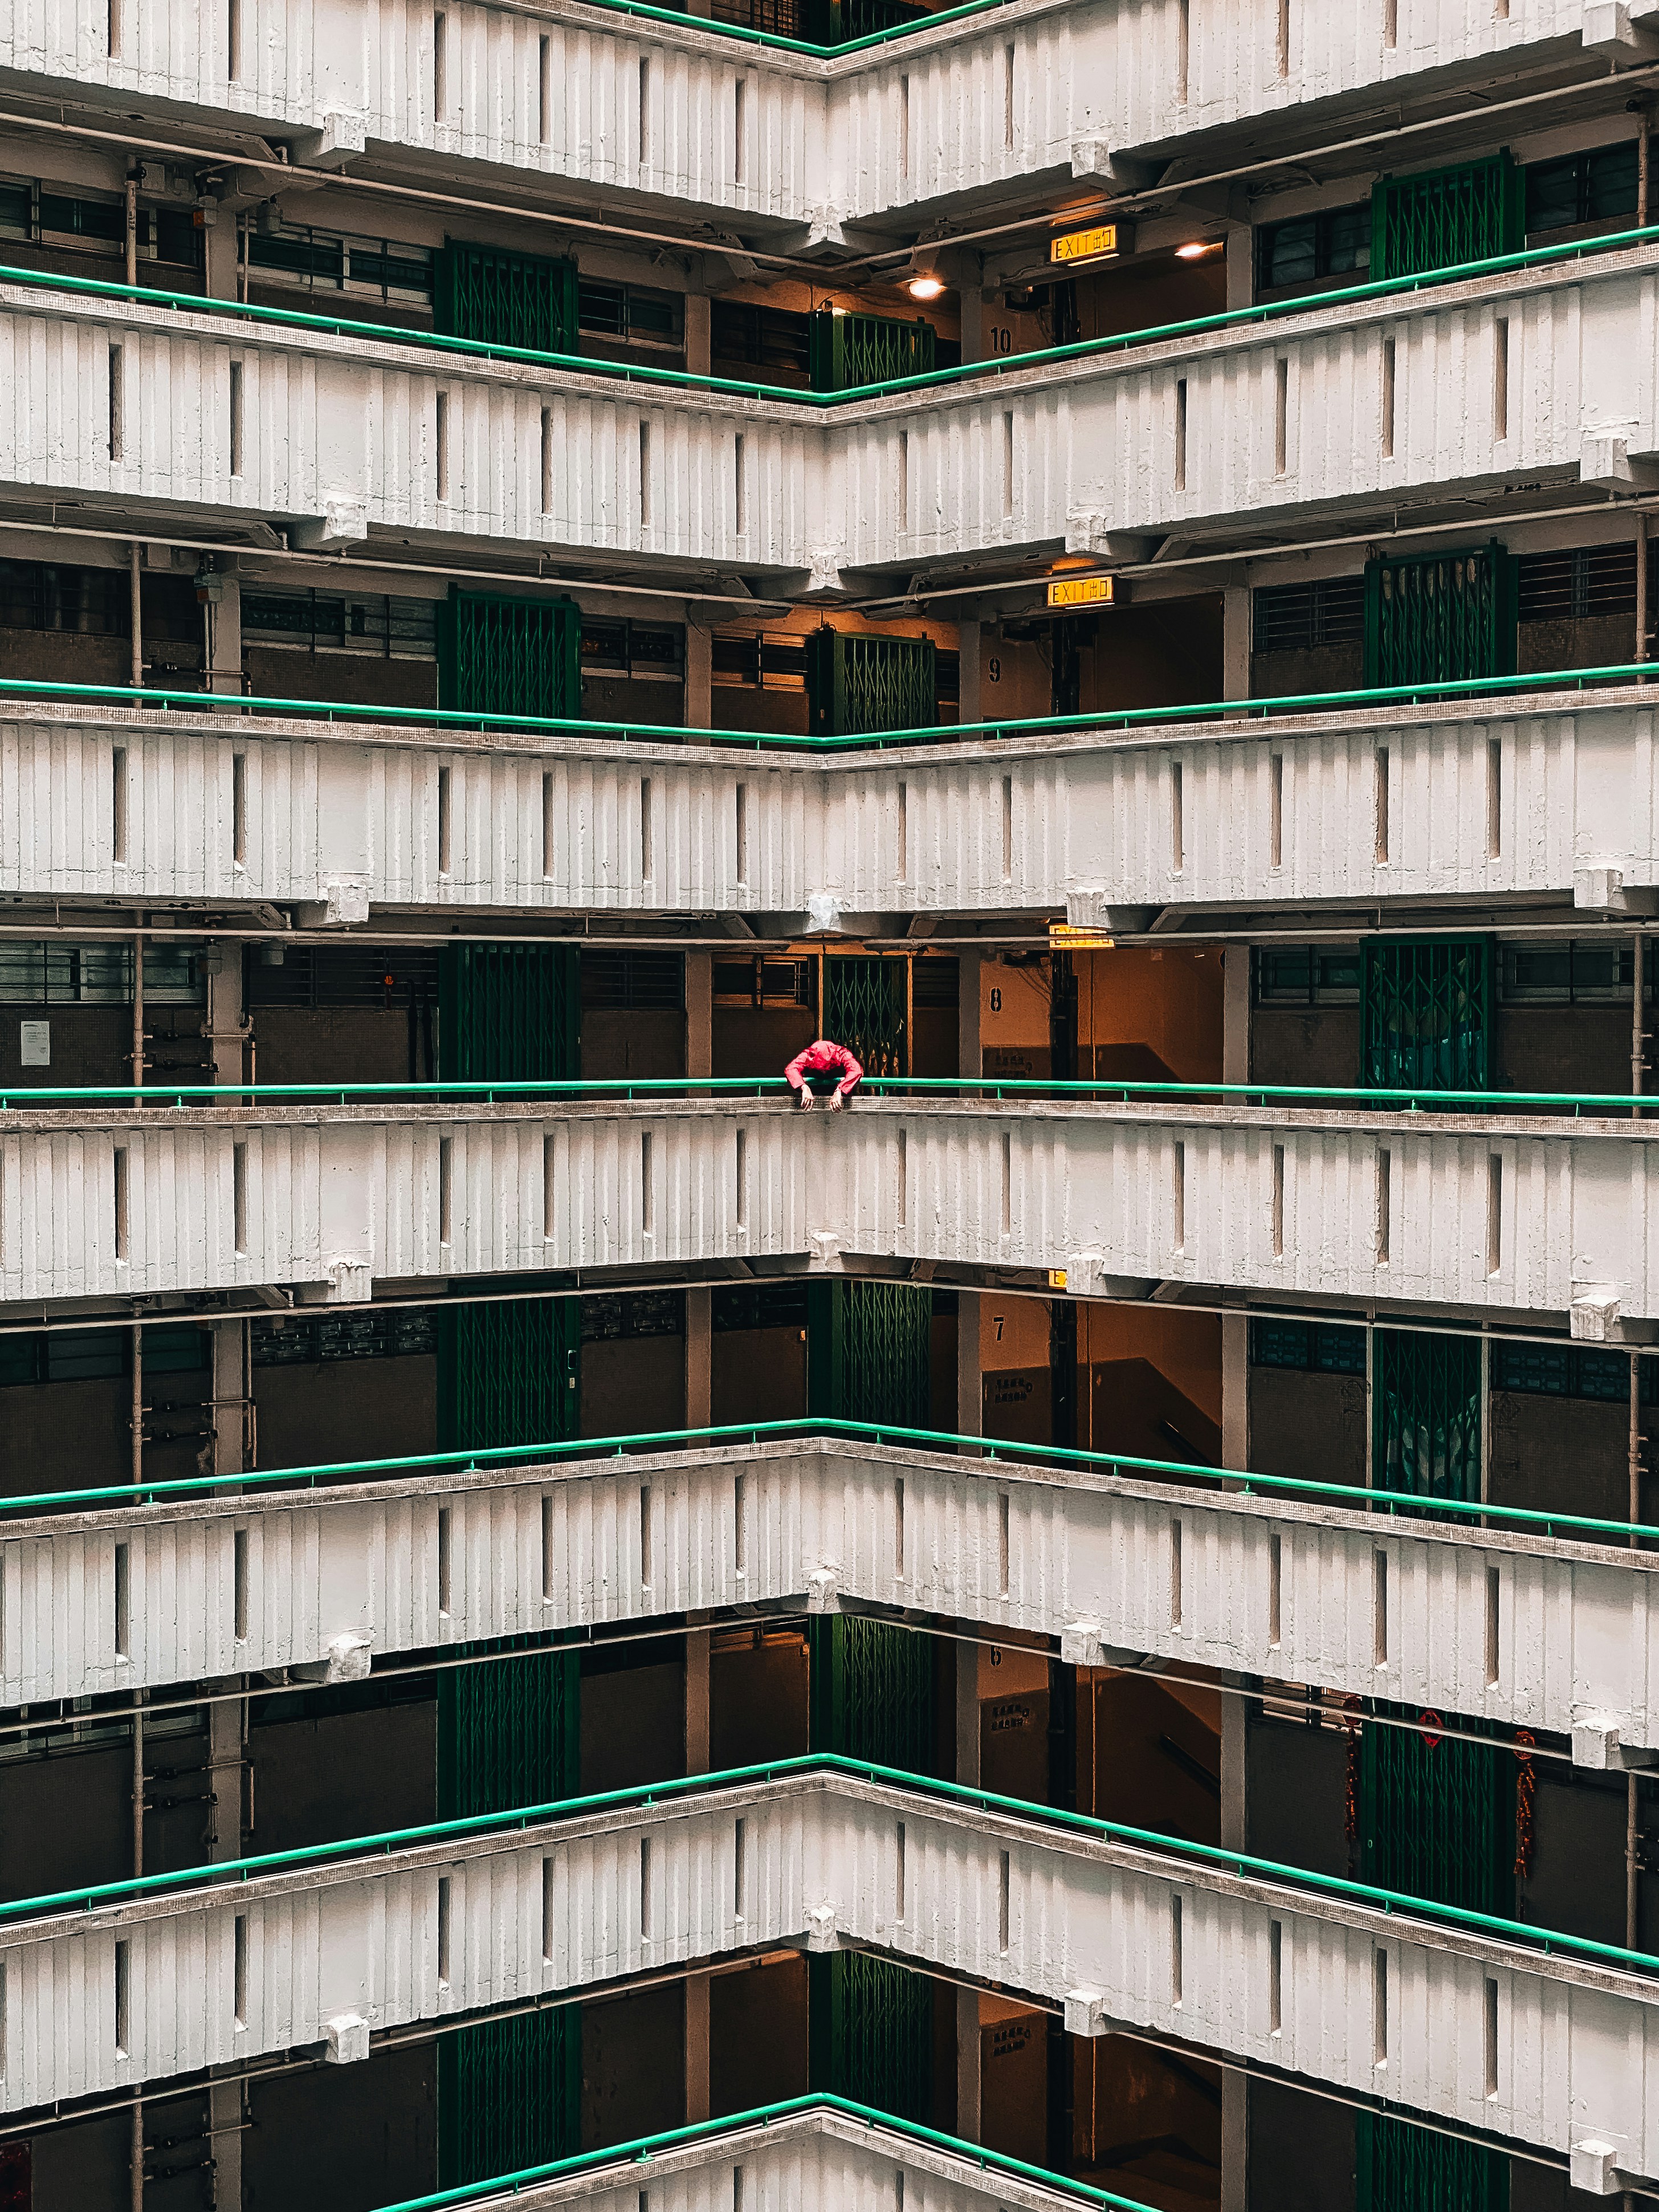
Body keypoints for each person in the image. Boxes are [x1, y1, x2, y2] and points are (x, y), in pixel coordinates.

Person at [784, 1038, 864, 1110]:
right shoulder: (809, 1054)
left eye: (827, 1067)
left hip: (841, 1099)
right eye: (821, 1069)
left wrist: (840, 1090)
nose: (824, 1072)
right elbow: (791, 1069)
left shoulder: (842, 1053)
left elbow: (856, 1070)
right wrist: (804, 1087)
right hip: (814, 1098)